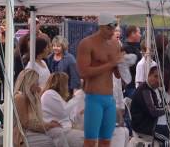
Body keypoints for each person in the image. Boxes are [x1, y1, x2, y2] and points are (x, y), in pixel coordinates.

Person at [76, 13, 122, 147]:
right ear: (100, 26)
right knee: (90, 142)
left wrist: (122, 65)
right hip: (93, 98)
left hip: (109, 99)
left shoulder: (115, 44)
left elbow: (118, 74)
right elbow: (83, 72)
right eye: (109, 28)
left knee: (106, 142)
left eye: (114, 28)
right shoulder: (87, 43)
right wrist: (110, 64)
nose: (112, 32)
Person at [131, 66, 170, 147]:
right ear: (149, 75)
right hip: (147, 126)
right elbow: (153, 112)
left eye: (160, 78)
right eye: (155, 76)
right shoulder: (145, 90)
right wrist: (168, 109)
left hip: (158, 123)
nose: (158, 80)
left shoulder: (156, 90)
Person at [13, 69, 63, 147]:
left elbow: (37, 119)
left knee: (58, 132)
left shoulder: (33, 96)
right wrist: (48, 125)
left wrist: (49, 124)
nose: (38, 84)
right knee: (49, 142)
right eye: (36, 82)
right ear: (29, 82)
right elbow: (26, 123)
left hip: (33, 130)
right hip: (23, 134)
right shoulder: (19, 97)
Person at [41, 72, 83, 147]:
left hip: (66, 129)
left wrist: (80, 113)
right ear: (61, 84)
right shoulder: (49, 94)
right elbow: (64, 111)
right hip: (60, 130)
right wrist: (78, 95)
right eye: (66, 83)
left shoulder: (57, 96)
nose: (68, 86)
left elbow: (69, 117)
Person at [122, 25, 142, 98]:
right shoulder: (125, 48)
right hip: (131, 86)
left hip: (137, 85)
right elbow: (131, 67)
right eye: (139, 33)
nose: (140, 35)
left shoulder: (137, 47)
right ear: (133, 34)